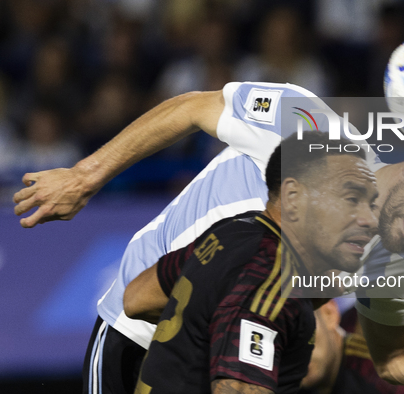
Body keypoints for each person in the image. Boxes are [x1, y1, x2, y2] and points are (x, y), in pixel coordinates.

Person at [12, 82, 404, 393]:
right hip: (138, 336)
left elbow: (397, 360)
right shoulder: (314, 131)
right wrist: (85, 177)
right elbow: (193, 108)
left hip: (230, 365)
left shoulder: (385, 260)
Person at [123, 131, 379, 393]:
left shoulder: (234, 232)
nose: (370, 219)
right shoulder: (274, 281)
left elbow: (137, 299)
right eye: (351, 199)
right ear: (293, 197)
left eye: (371, 203)